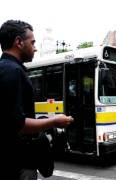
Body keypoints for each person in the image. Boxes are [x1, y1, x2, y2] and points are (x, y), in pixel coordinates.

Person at [0, 20, 74, 180]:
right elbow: (17, 125)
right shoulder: (11, 71)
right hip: (18, 164)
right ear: (19, 42)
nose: (35, 47)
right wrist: (54, 121)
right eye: (32, 42)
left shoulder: (8, 68)